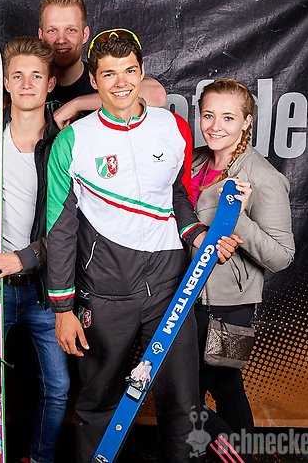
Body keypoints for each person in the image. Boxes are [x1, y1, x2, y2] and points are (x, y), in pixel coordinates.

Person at [45, 28, 240, 462]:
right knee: (98, 401)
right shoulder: (72, 142)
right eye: (109, 74)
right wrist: (62, 308)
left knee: (183, 404)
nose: (121, 83)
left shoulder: (173, 128)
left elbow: (178, 197)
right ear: (93, 79)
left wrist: (198, 235)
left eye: (129, 71)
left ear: (142, 71)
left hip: (170, 289)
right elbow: (59, 228)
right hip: (105, 291)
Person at [0, 36, 69, 463]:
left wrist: (24, 259)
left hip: (43, 287)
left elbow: (71, 226)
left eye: (36, 76)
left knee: (58, 388)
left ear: (50, 84)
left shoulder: (64, 144)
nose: (27, 84)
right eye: (18, 76)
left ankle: (38, 457)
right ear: (5, 83)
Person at [191, 78, 295, 436]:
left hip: (230, 308)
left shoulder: (263, 177)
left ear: (247, 121)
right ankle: (239, 454)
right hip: (185, 297)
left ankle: (233, 454)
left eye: (228, 118)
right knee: (225, 388)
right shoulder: (194, 162)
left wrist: (237, 218)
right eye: (208, 115)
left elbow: (282, 256)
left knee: (190, 395)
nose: (215, 126)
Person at [37, 0, 169, 128]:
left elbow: (157, 94)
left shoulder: (102, 76)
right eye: (52, 30)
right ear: (41, 35)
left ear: (85, 34)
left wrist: (77, 104)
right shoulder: (29, 84)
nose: (61, 40)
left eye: (71, 30)